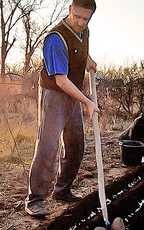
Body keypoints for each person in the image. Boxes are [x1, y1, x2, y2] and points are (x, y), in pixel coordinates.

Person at [25, 0, 99, 217]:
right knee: (48, 146)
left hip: (72, 93)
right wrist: (87, 101)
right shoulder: (55, 39)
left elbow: (81, 52)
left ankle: (63, 189)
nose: (80, 22)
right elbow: (60, 80)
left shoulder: (84, 31)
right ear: (70, 10)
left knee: (76, 143)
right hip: (55, 93)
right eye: (77, 16)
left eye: (85, 19)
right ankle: (34, 200)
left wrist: (89, 62)